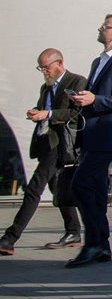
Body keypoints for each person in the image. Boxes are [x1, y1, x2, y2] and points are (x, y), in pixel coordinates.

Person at [67, 13, 112, 268]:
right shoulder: (98, 61)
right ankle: (102, 247)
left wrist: (95, 99)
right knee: (96, 192)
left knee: (80, 184)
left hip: (108, 137)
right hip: (93, 136)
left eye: (105, 26)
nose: (100, 29)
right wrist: (84, 98)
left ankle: (93, 244)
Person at [0, 49, 87, 256]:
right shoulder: (46, 87)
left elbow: (76, 113)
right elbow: (43, 109)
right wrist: (35, 112)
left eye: (46, 67)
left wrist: (47, 114)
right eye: (41, 68)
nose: (44, 72)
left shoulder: (77, 82)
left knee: (33, 189)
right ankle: (73, 232)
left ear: (59, 63)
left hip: (59, 145)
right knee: (57, 188)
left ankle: (10, 238)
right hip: (44, 143)